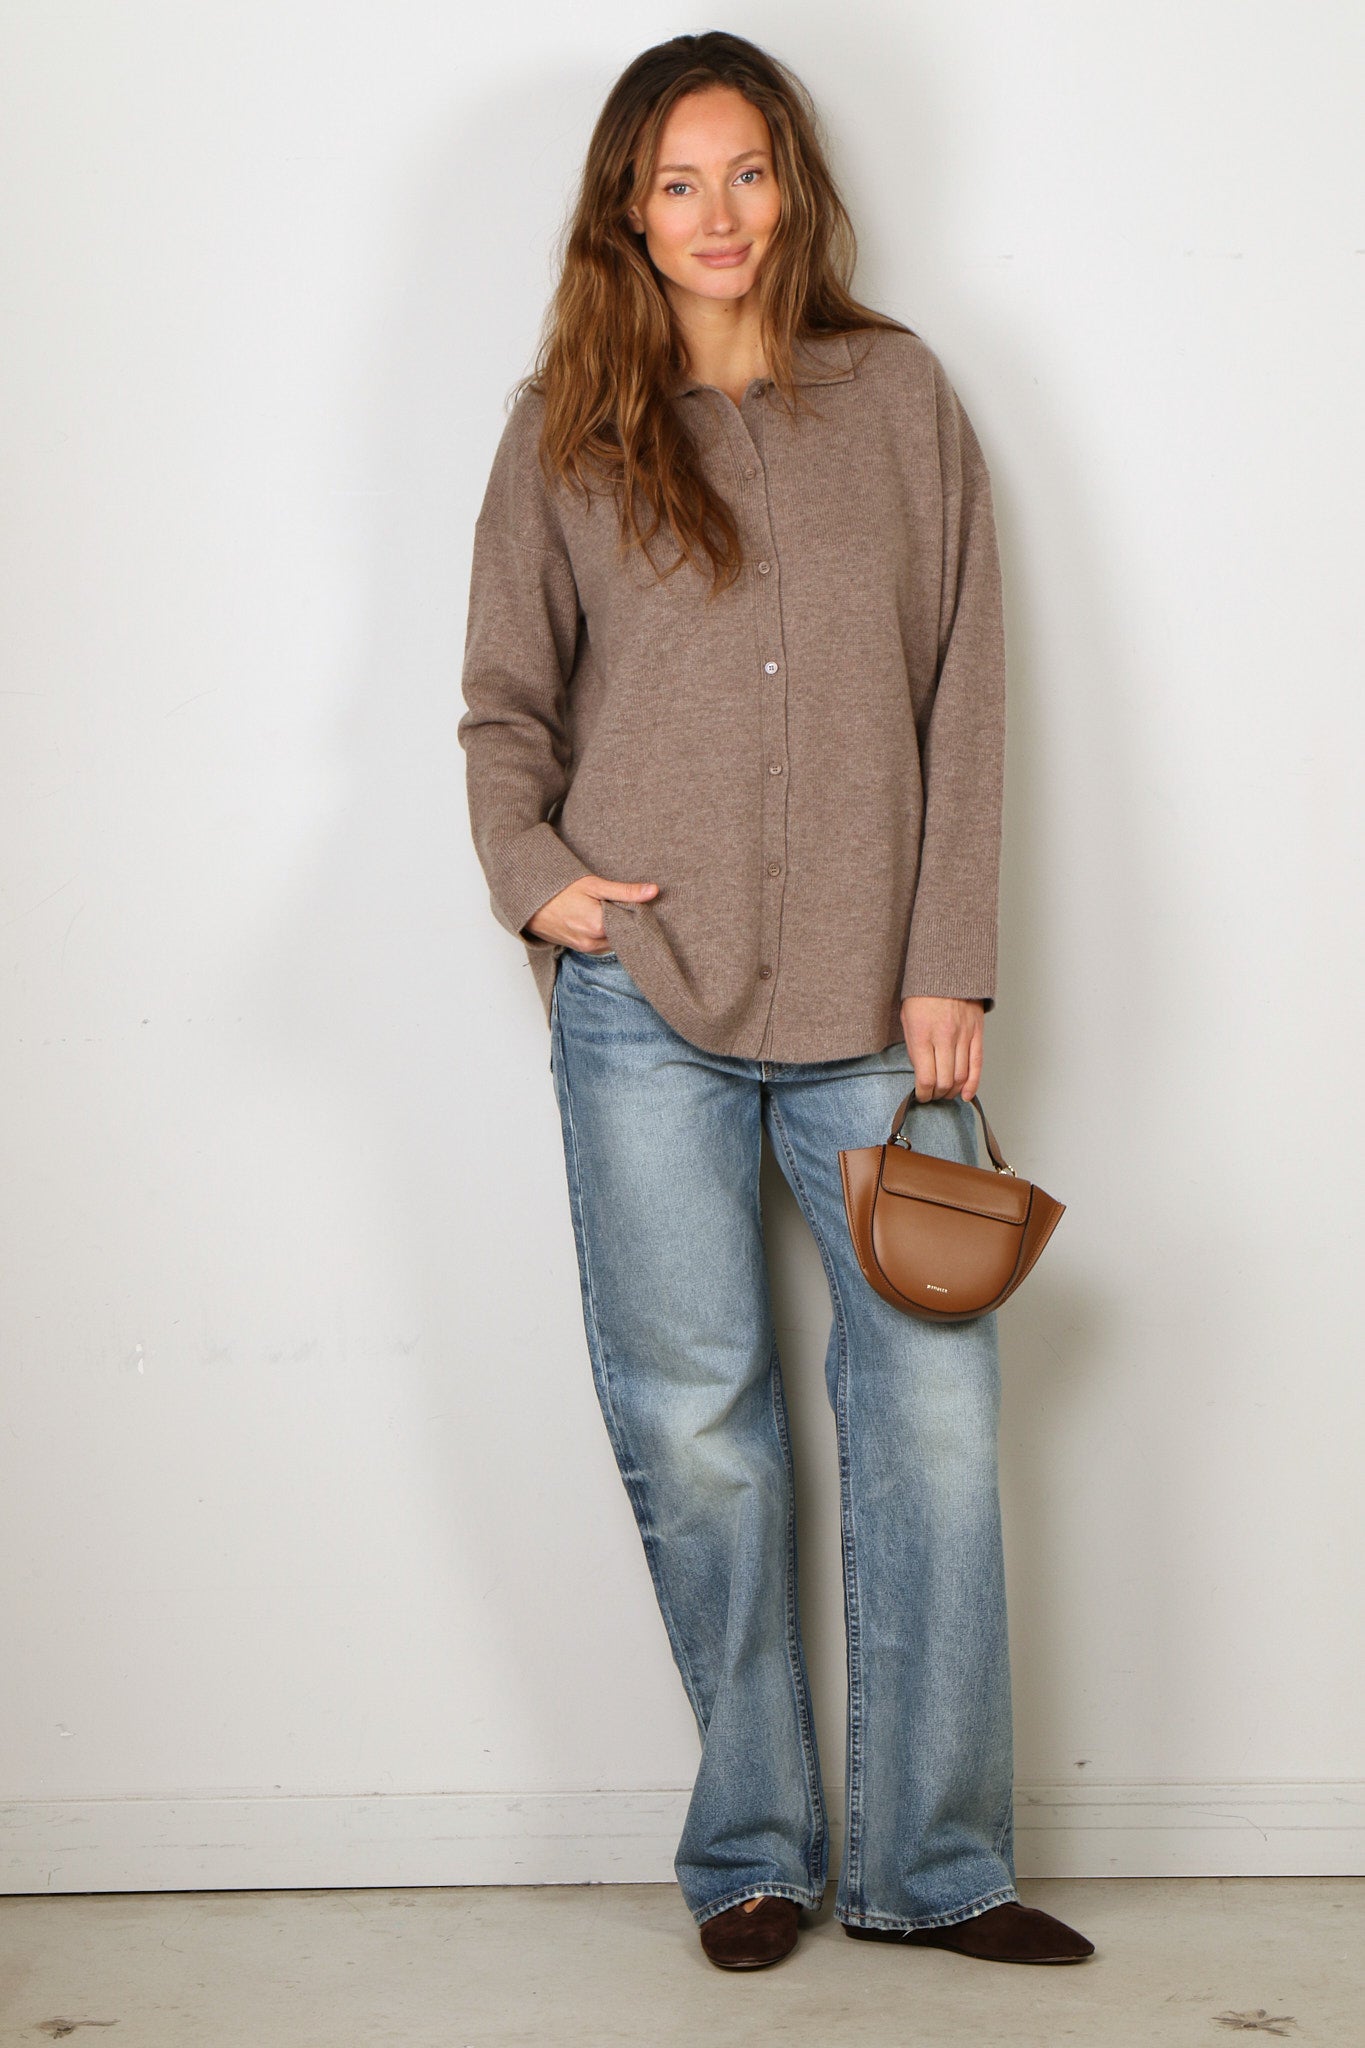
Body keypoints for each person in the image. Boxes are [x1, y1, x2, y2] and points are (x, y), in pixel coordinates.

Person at [457, 30, 1094, 1973]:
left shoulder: (897, 398)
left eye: (743, 173)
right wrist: (535, 878)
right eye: (676, 182)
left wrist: (947, 954)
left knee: (932, 1428)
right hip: (638, 1002)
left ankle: (935, 1869)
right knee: (699, 1432)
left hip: (875, 1016)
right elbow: (502, 708)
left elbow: (964, 684)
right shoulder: (566, 427)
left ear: (791, 187)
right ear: (627, 212)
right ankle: (749, 1851)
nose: (716, 214)